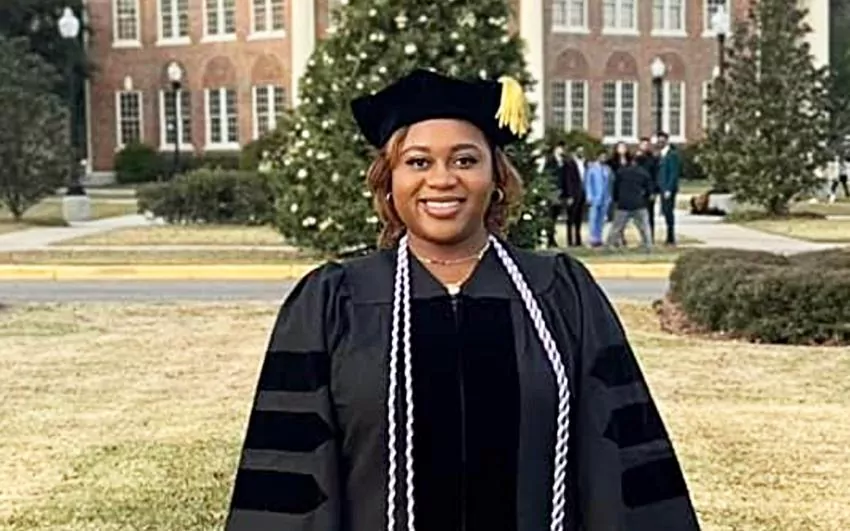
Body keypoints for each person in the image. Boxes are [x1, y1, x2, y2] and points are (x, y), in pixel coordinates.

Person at [223, 68, 700, 531]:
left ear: (497, 177)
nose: (442, 179)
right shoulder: (333, 303)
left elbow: (619, 465)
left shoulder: (560, 294)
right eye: (418, 162)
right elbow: (291, 487)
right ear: (389, 181)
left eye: (465, 160)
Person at [606, 154, 654, 252]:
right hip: (639, 203)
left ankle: (611, 244)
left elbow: (615, 187)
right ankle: (647, 245)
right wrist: (646, 198)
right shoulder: (644, 173)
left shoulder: (621, 172)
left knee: (617, 226)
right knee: (644, 226)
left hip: (623, 203)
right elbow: (649, 189)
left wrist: (616, 199)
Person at [656, 131, 681, 246]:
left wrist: (669, 189)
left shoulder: (672, 155)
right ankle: (669, 237)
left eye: (663, 141)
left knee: (668, 212)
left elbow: (673, 173)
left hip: (668, 189)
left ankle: (671, 237)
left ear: (667, 141)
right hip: (662, 188)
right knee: (665, 212)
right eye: (659, 141)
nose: (660, 143)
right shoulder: (660, 154)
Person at [584, 149, 612, 247]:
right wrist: (589, 196)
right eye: (601, 156)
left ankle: (598, 238)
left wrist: (609, 196)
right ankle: (592, 238)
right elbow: (588, 183)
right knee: (593, 218)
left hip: (605, 197)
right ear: (598, 157)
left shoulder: (607, 169)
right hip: (595, 197)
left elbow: (609, 183)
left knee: (601, 219)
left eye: (605, 157)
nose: (603, 158)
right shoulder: (592, 168)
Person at [634, 137, 659, 242]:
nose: (645, 146)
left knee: (649, 215)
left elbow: (655, 176)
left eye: (647, 144)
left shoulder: (653, 159)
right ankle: (642, 236)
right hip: (637, 191)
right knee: (638, 216)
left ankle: (650, 237)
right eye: (643, 144)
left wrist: (653, 191)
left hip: (649, 191)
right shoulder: (635, 159)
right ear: (639, 145)